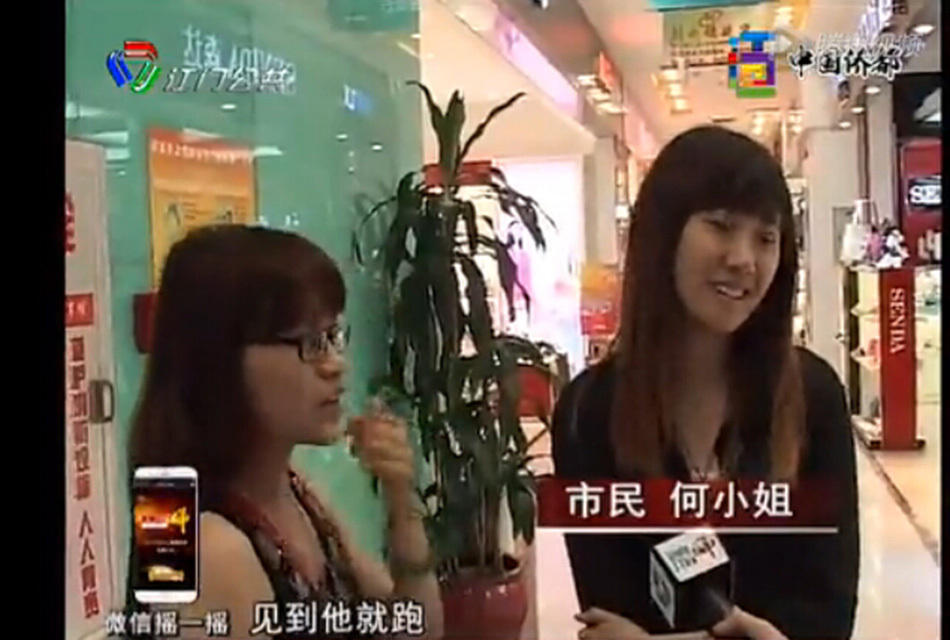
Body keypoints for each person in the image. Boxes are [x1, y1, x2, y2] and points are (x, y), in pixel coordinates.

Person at [552, 126, 859, 639]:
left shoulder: (813, 398)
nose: (743, 258)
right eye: (720, 225)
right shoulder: (589, 412)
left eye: (765, 238)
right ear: (663, 235)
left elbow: (826, 619)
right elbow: (608, 617)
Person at [126, 225, 444, 639]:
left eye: (333, 337)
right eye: (310, 343)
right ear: (220, 361)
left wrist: (402, 502)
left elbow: (415, 630)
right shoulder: (202, 543)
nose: (336, 365)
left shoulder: (295, 491)